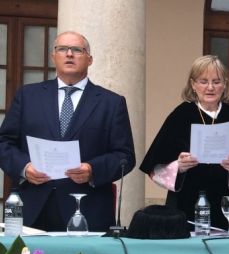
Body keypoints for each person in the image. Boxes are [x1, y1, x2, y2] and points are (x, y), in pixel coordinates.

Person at [0, 31, 136, 232]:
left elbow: (125, 156)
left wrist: (92, 170)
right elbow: (4, 143)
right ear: (53, 57)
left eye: (77, 50)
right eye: (62, 49)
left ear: (89, 59)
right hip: (31, 208)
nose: (69, 54)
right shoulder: (28, 96)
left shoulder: (111, 103)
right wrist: (25, 168)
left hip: (87, 210)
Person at [139, 55, 229, 232]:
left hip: (226, 205)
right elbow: (155, 166)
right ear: (193, 84)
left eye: (216, 81)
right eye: (203, 81)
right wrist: (179, 166)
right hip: (186, 204)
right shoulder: (181, 115)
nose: (210, 87)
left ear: (225, 85)